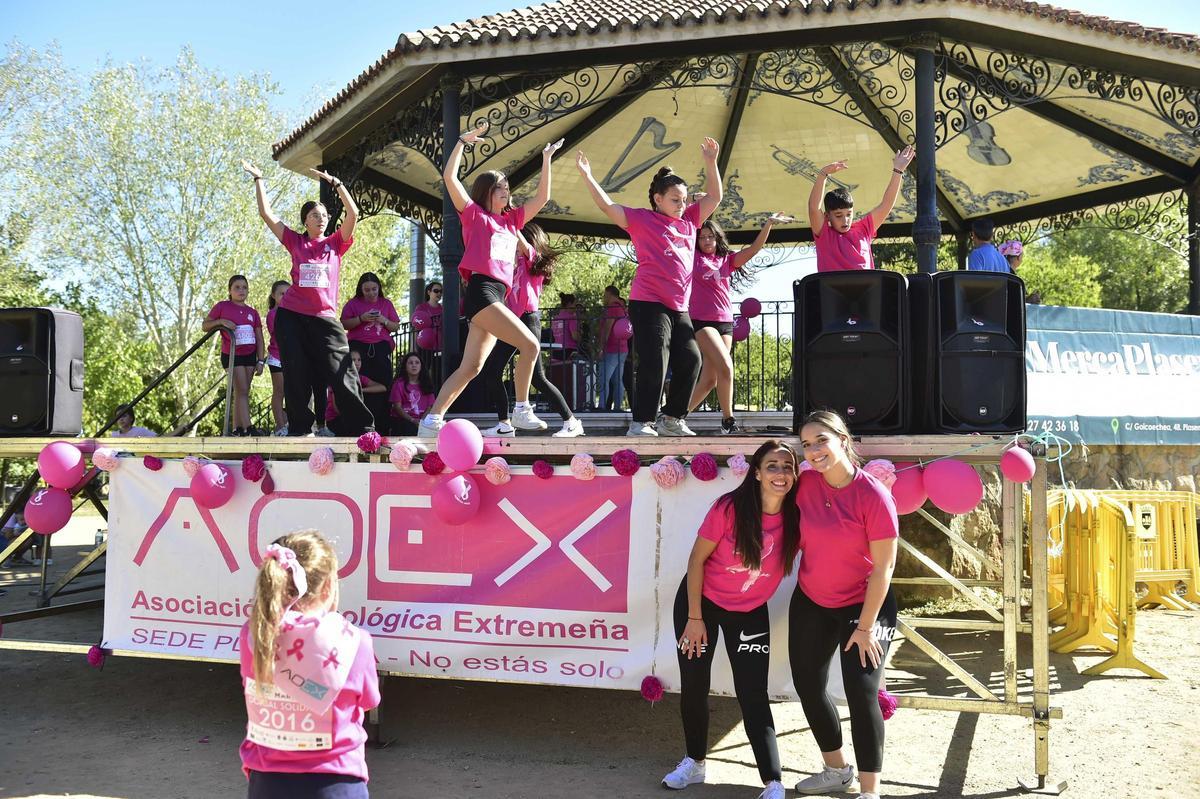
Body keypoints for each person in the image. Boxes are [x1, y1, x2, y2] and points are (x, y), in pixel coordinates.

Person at [664, 440, 801, 799]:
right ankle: (695, 762)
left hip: (750, 610)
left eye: (787, 466)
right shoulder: (729, 507)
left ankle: (773, 781)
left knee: (753, 692)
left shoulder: (797, 517)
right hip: (700, 605)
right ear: (756, 473)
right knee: (695, 684)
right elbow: (696, 561)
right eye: (772, 466)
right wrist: (695, 618)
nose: (781, 473)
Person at [417, 122, 564, 438]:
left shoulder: (512, 221)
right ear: (486, 192)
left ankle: (431, 421)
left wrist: (546, 160)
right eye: (500, 187)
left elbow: (543, 197)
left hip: (496, 296)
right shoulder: (474, 215)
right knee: (530, 344)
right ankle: (522, 409)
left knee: (471, 367)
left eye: (507, 187)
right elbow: (449, 178)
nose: (506, 191)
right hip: (482, 292)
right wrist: (461, 142)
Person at [576, 138, 724, 437]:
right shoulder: (642, 220)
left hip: (679, 306)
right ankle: (641, 422)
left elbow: (715, 197)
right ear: (658, 199)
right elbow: (607, 206)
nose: (682, 206)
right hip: (649, 303)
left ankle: (671, 418)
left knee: (692, 359)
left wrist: (711, 162)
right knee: (656, 359)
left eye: (684, 200)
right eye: (675, 200)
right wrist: (588, 176)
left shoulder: (689, 221)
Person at [789, 410, 899, 799]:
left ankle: (870, 791)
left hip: (867, 604)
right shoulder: (804, 484)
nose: (814, 450)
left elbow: (884, 568)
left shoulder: (874, 494)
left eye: (821, 440)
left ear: (842, 439)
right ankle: (836, 770)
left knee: (861, 691)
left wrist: (866, 627)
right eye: (806, 444)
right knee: (807, 685)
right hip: (812, 599)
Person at [239, 530, 380, 798]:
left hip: (268, 783)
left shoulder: (254, 635)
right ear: (328, 587)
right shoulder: (355, 642)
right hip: (337, 781)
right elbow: (369, 700)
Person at [242, 160, 374, 437]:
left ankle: (363, 429)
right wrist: (258, 179)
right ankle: (300, 429)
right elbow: (266, 213)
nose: (321, 218)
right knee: (296, 373)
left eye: (324, 214)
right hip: (291, 317)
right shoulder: (295, 241)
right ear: (305, 221)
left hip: (325, 318)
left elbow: (353, 213)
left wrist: (336, 184)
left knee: (342, 371)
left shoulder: (336, 243)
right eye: (315, 215)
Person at [479, 224, 584, 438]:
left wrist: (510, 223)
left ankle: (572, 423)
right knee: (492, 371)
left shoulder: (532, 257)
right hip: (512, 320)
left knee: (537, 378)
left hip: (528, 319)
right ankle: (504, 425)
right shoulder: (514, 260)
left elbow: (523, 244)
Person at [687, 215, 790, 434]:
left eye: (710, 236)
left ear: (717, 238)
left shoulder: (726, 260)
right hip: (701, 321)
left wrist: (768, 224)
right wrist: (695, 208)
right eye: (702, 237)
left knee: (710, 380)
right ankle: (728, 421)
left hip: (725, 322)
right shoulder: (692, 257)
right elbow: (684, 230)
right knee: (726, 365)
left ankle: (674, 416)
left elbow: (753, 250)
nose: (706, 241)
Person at [807, 146, 916, 272]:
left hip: (867, 285)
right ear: (827, 216)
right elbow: (813, 208)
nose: (845, 220)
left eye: (849, 214)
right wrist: (823, 174)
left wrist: (898, 170)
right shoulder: (824, 234)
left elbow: (886, 204)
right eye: (838, 215)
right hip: (833, 285)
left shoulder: (864, 229)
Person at [202, 274, 265, 436]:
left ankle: (238, 428)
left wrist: (260, 360)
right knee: (242, 390)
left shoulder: (253, 312)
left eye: (244, 287)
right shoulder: (222, 306)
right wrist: (221, 321)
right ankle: (249, 427)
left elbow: (259, 337)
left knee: (242, 392)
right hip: (232, 355)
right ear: (230, 290)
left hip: (250, 355)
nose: (241, 290)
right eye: (237, 287)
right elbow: (205, 325)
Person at [341, 272, 401, 430]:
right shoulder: (353, 303)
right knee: (357, 382)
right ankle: (360, 426)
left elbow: (395, 326)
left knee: (385, 384)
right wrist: (361, 318)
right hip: (358, 348)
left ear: (379, 288)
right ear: (361, 290)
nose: (371, 293)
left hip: (381, 348)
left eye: (374, 289)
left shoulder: (386, 303)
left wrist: (384, 320)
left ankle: (382, 427)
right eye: (367, 290)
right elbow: (344, 324)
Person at [324, 351, 386, 437]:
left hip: (353, 418)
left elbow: (382, 388)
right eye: (353, 360)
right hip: (336, 419)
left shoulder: (361, 378)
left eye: (359, 360)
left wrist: (361, 390)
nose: (357, 363)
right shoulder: (338, 378)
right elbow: (337, 409)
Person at [388, 352, 436, 437]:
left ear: (421, 366)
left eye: (417, 363)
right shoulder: (398, 384)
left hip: (423, 420)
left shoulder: (427, 384)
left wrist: (421, 422)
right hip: (403, 421)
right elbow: (397, 407)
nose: (414, 365)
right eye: (410, 363)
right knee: (409, 427)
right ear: (405, 367)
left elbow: (430, 407)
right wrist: (413, 420)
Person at [597, 285, 628, 411]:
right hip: (623, 348)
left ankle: (602, 406)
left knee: (604, 378)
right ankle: (618, 407)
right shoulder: (621, 308)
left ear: (610, 294)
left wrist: (601, 347)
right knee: (618, 380)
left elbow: (607, 328)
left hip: (612, 348)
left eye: (605, 295)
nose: (604, 298)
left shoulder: (612, 307)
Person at [265, 280, 290, 436]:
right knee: (279, 392)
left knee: (291, 392)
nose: (285, 296)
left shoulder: (291, 313)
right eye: (282, 293)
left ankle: (288, 424)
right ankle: (280, 426)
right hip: (277, 357)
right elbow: (281, 335)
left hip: (290, 358)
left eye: (288, 294)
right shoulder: (273, 314)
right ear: (273, 295)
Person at [550, 292, 580, 362]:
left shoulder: (555, 319)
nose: (575, 308)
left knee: (557, 369)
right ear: (569, 304)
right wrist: (581, 336)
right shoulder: (571, 317)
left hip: (555, 351)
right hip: (569, 351)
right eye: (574, 305)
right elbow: (575, 336)